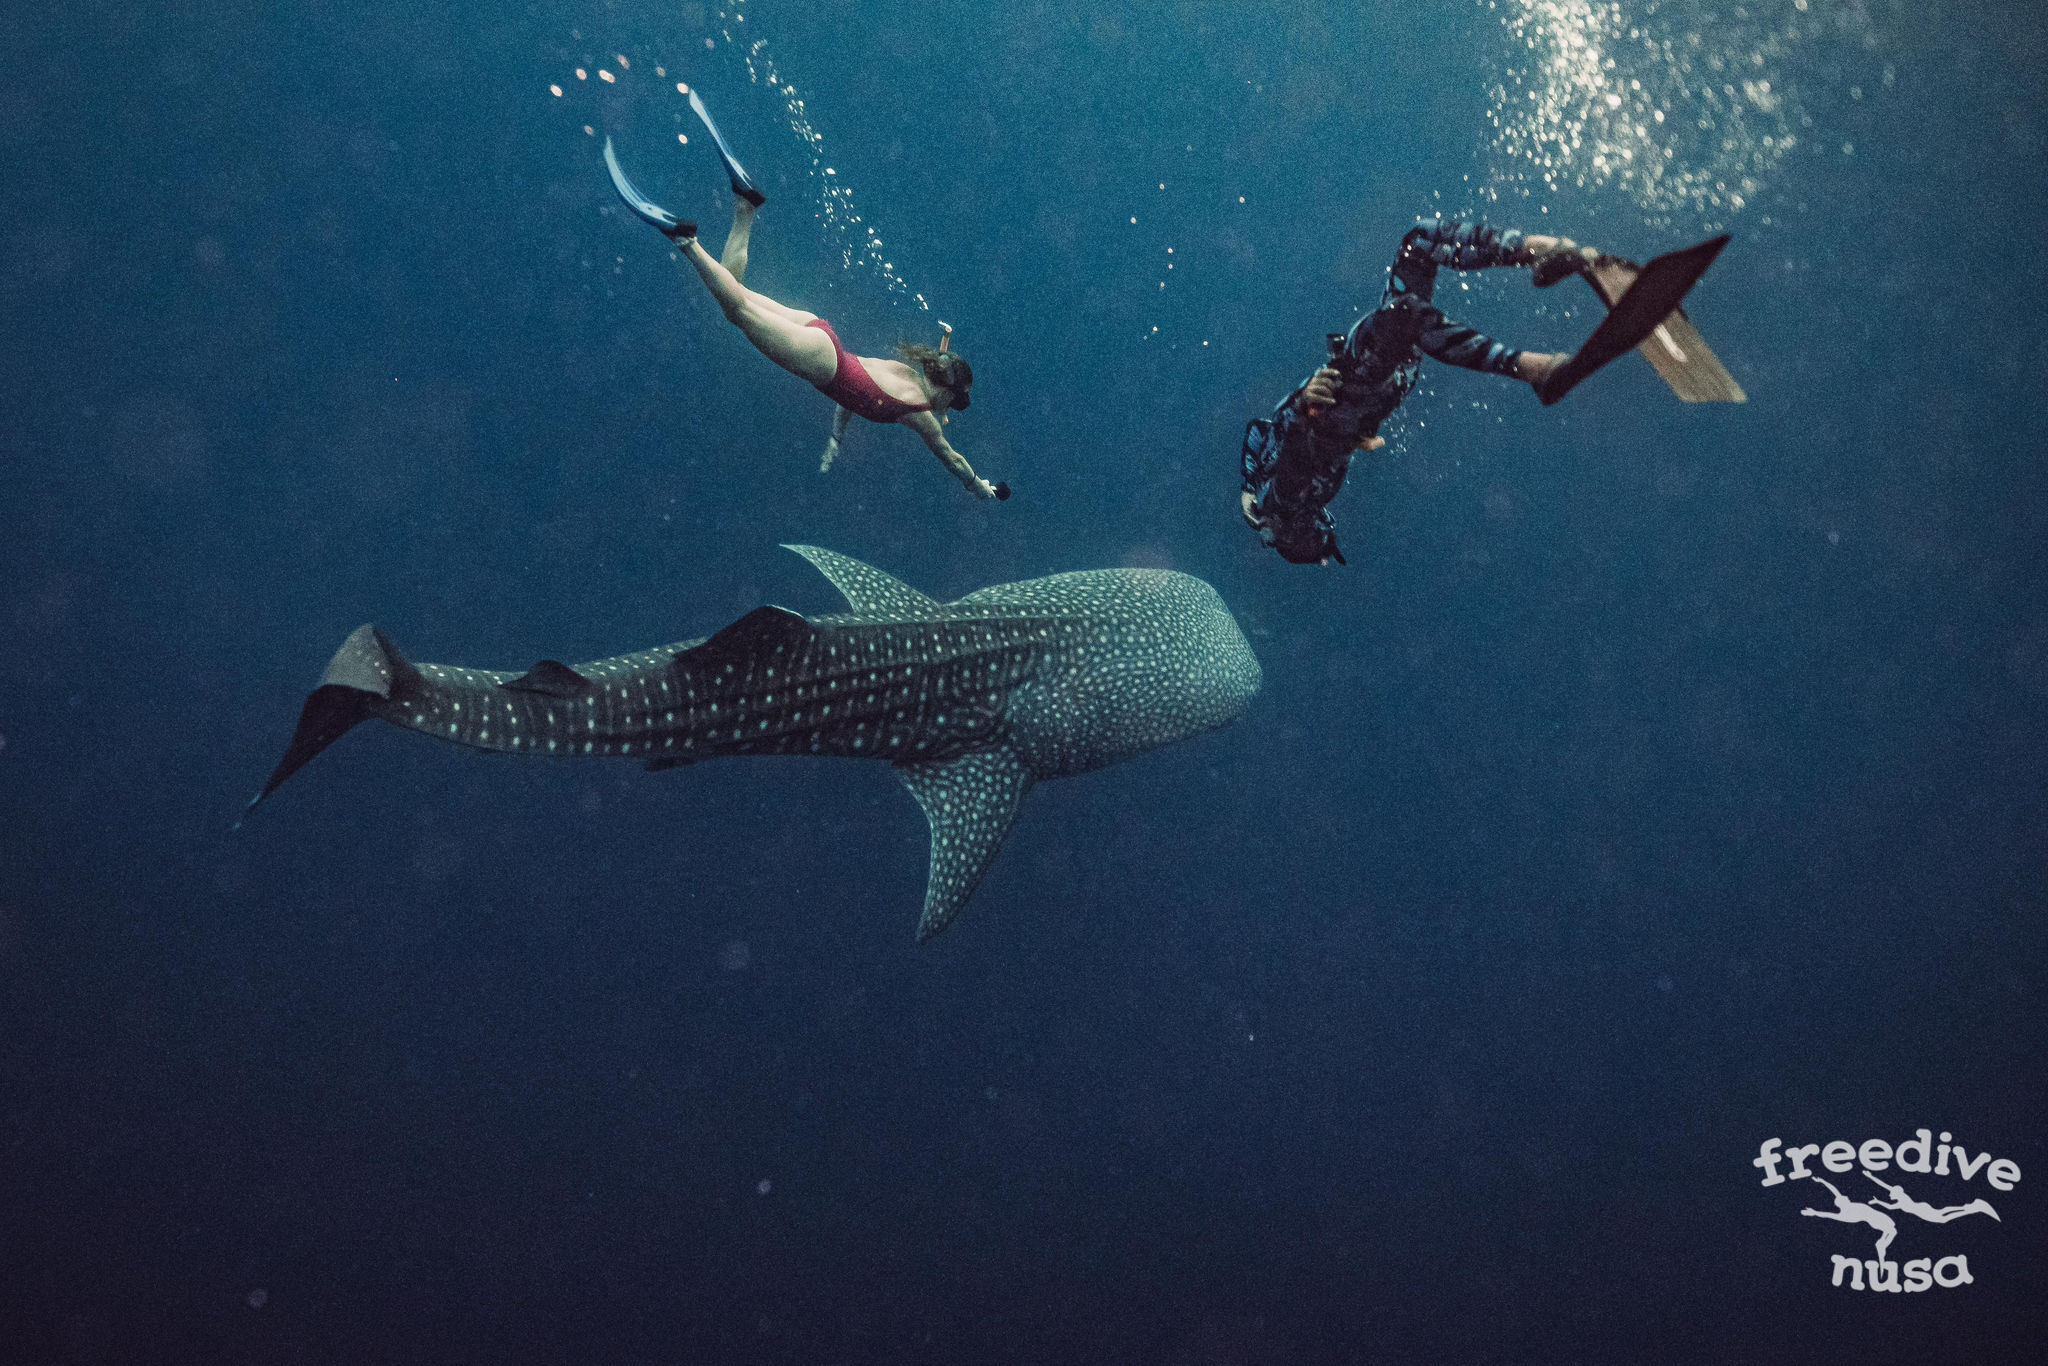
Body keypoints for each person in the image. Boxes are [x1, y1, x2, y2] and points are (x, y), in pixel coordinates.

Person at [605, 91, 1007, 502]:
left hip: (821, 334)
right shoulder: (922, 417)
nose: (946, 410)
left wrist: (836, 436)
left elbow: (856, 393)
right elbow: (951, 458)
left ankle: (745, 206)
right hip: (822, 361)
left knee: (736, 294)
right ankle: (686, 240)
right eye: (951, 402)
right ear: (945, 392)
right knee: (737, 309)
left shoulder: (906, 374)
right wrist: (978, 486)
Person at [1239, 217, 1604, 565]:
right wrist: (1306, 414)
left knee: (1419, 244)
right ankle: (1534, 369)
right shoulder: (1288, 506)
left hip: (1366, 379)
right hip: (1356, 388)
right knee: (1405, 312)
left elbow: (1259, 430)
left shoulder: (1267, 495)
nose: (1315, 530)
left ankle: (1536, 251)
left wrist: (1248, 483)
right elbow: (1297, 460)